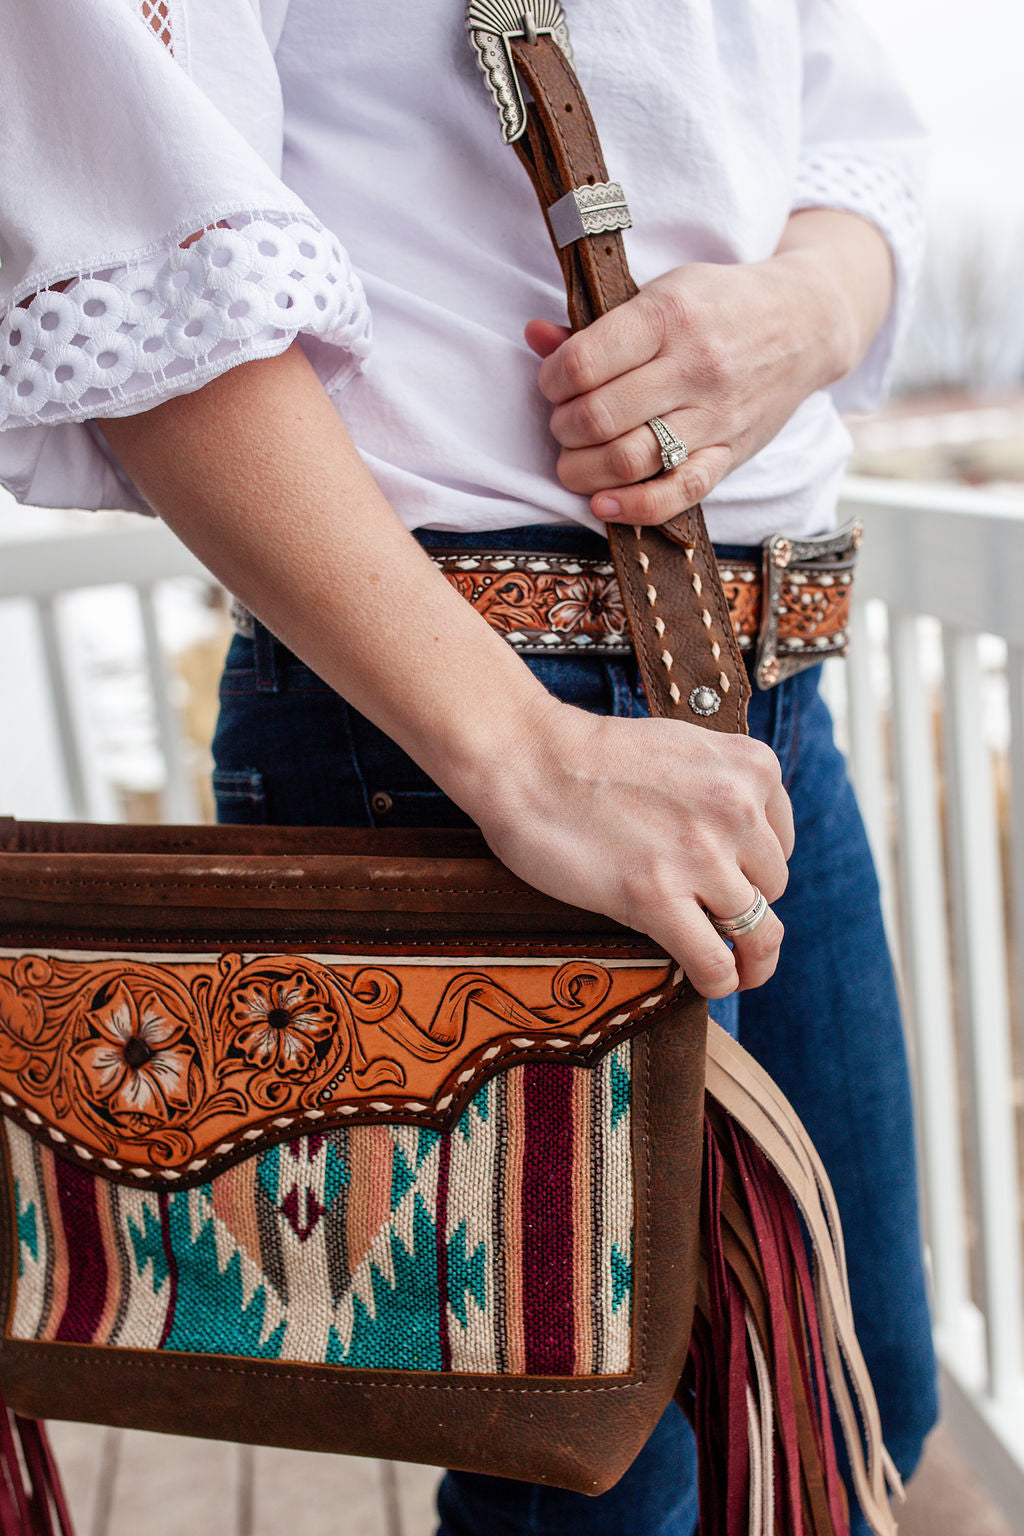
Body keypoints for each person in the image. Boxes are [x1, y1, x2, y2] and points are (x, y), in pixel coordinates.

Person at [0, 1, 938, 1531]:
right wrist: (521, 752)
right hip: (462, 728)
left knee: (848, 1395)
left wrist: (806, 314)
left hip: (766, 701)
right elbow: (135, 200)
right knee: (604, 1484)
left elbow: (851, 130)